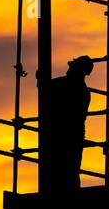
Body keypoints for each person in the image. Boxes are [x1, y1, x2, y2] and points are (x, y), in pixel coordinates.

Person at [37, 56, 94, 194]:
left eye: (72, 67)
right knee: (71, 169)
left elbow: (45, 90)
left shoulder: (70, 86)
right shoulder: (83, 91)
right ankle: (68, 193)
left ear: (79, 70)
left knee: (63, 167)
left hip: (63, 134)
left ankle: (60, 194)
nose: (69, 69)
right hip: (73, 135)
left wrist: (40, 80)